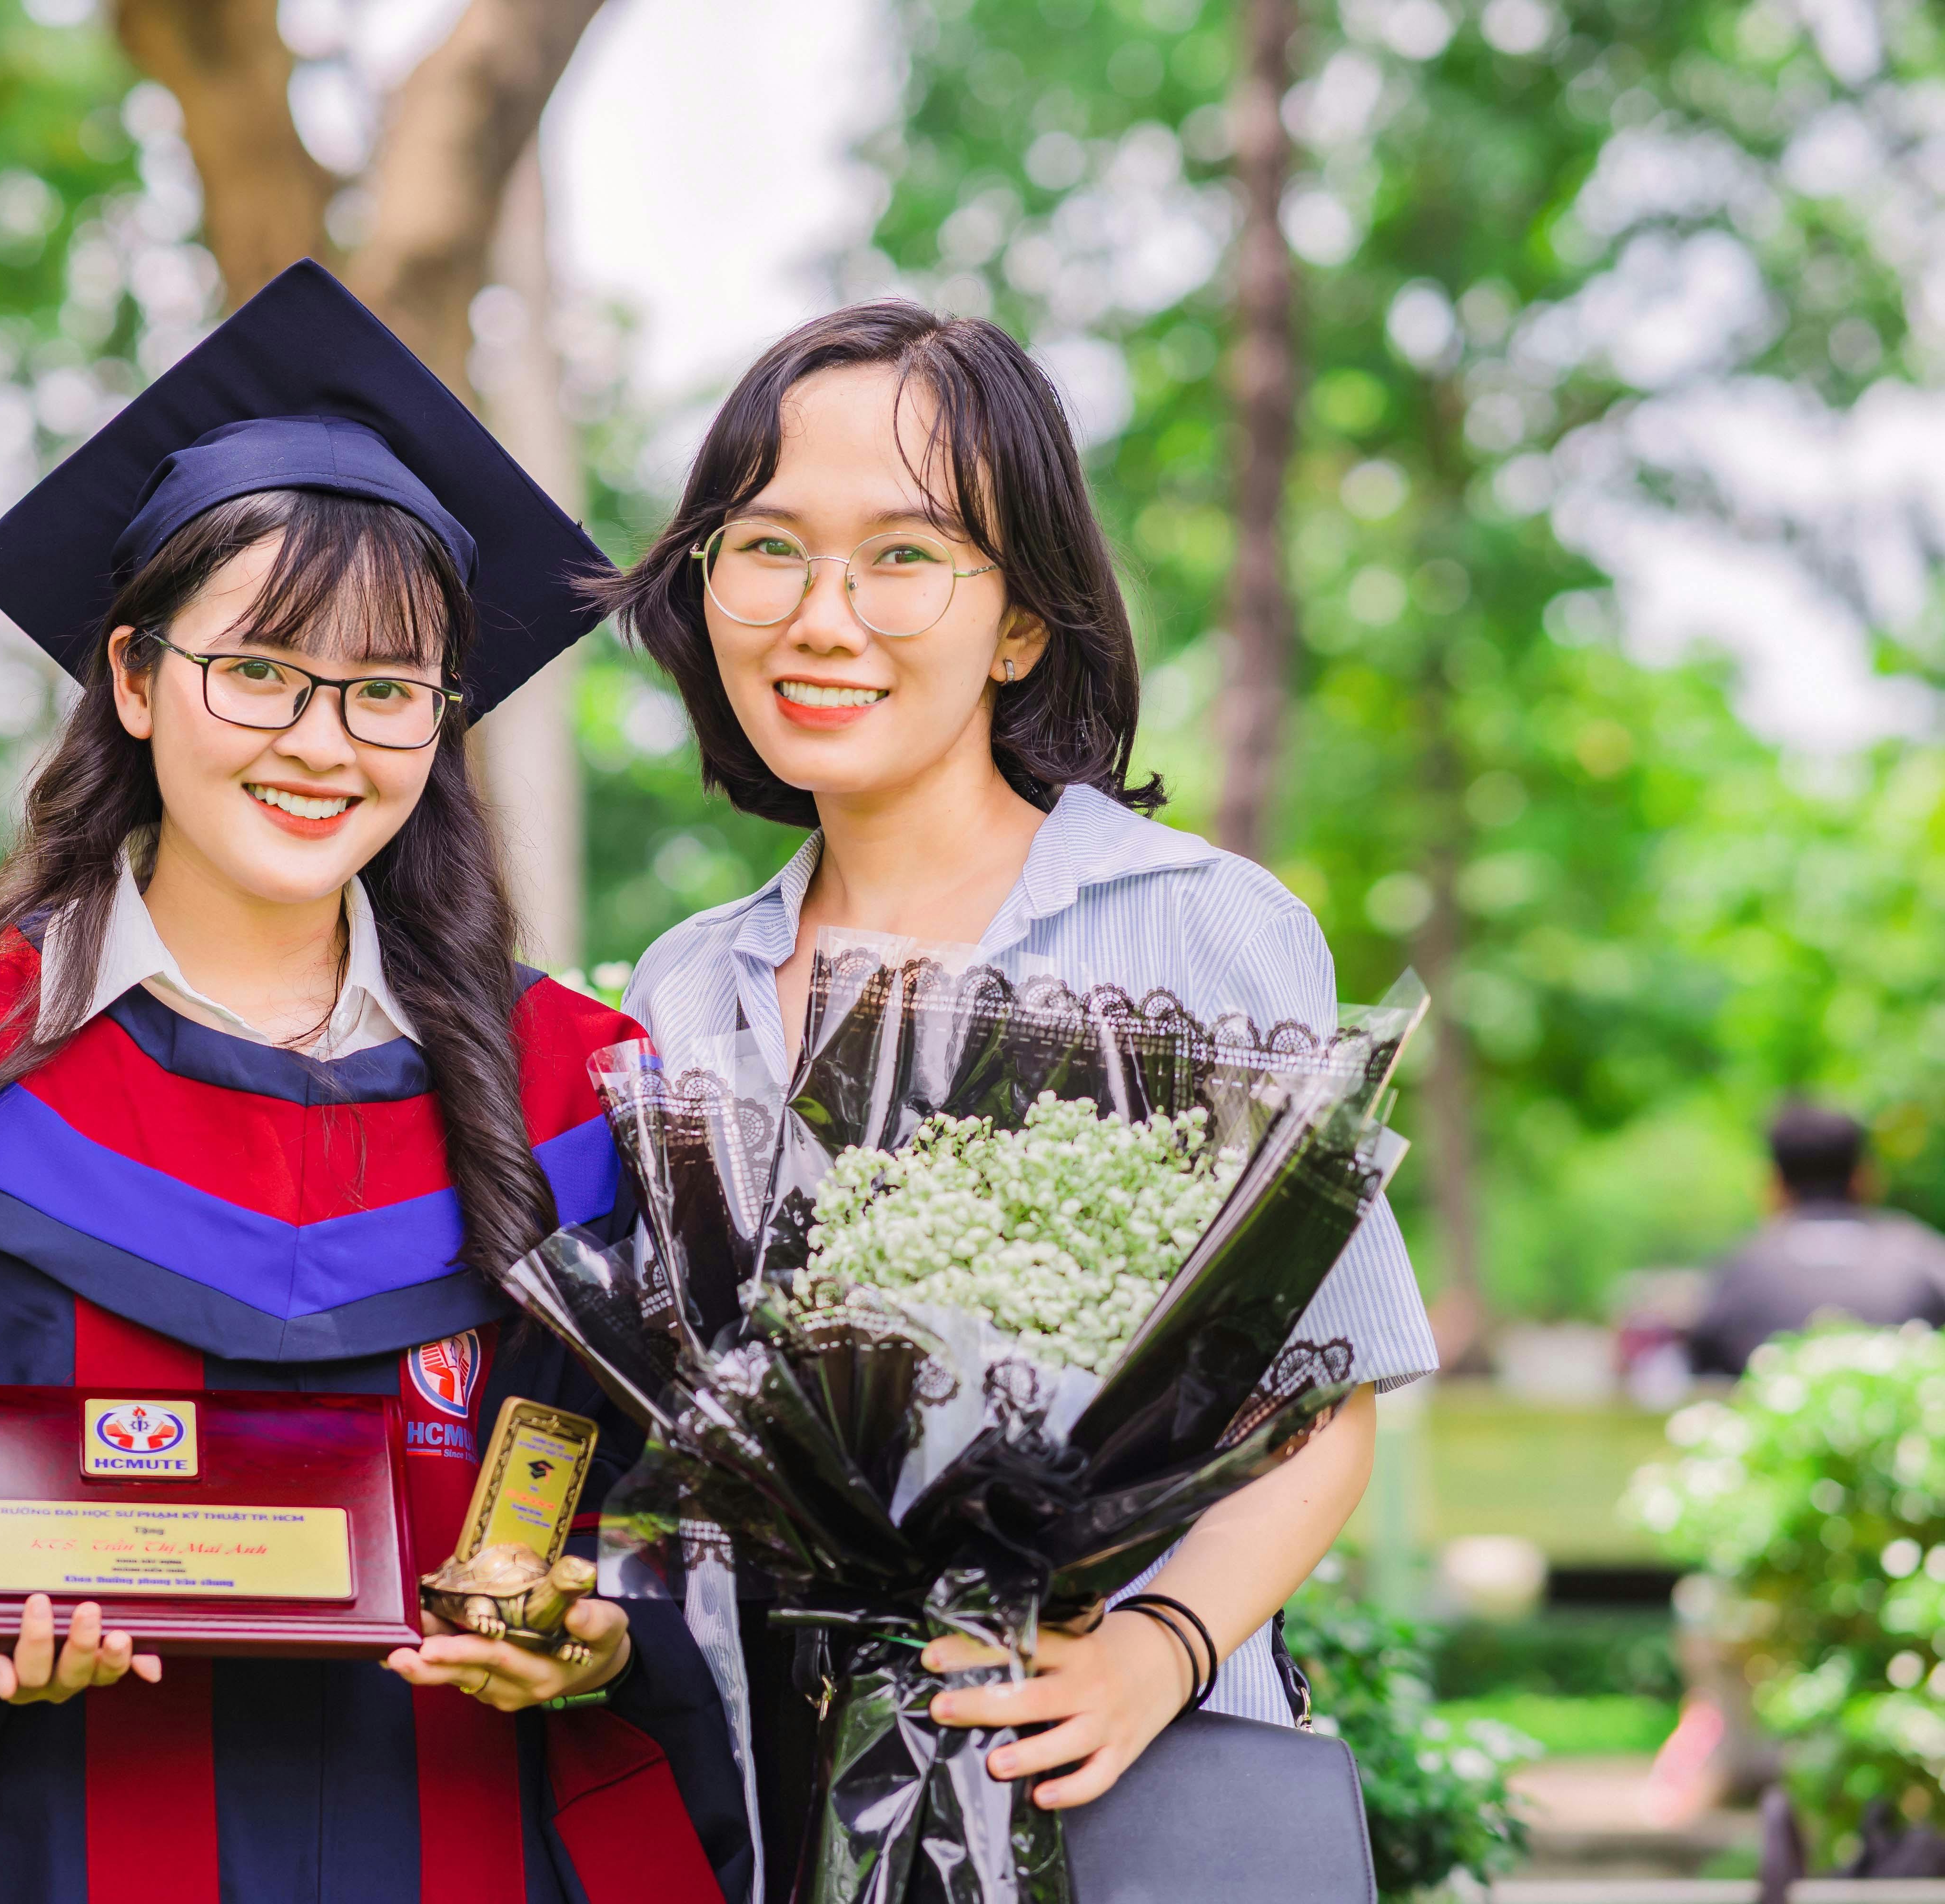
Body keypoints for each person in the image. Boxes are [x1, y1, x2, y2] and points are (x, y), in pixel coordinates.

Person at [0, 263, 749, 1904]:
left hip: (470, 1845)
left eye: (388, 691)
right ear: (132, 677)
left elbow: (688, 1506)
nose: (322, 742)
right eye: (258, 669)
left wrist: (605, 1633)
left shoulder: (584, 1096)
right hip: (62, 1847)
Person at [605, 300, 1438, 1869]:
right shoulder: (685, 986)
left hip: (1119, 1779)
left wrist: (1153, 1650)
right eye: (767, 547)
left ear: (1020, 625)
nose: (822, 616)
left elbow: (1318, 1400)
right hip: (781, 1795)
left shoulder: (1193, 926)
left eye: (904, 555)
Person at [1687, 1102, 1945, 1378]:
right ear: (1865, 1177)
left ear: (1774, 1184)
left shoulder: (1738, 1271)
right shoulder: (1922, 1257)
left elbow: (1701, 1364)